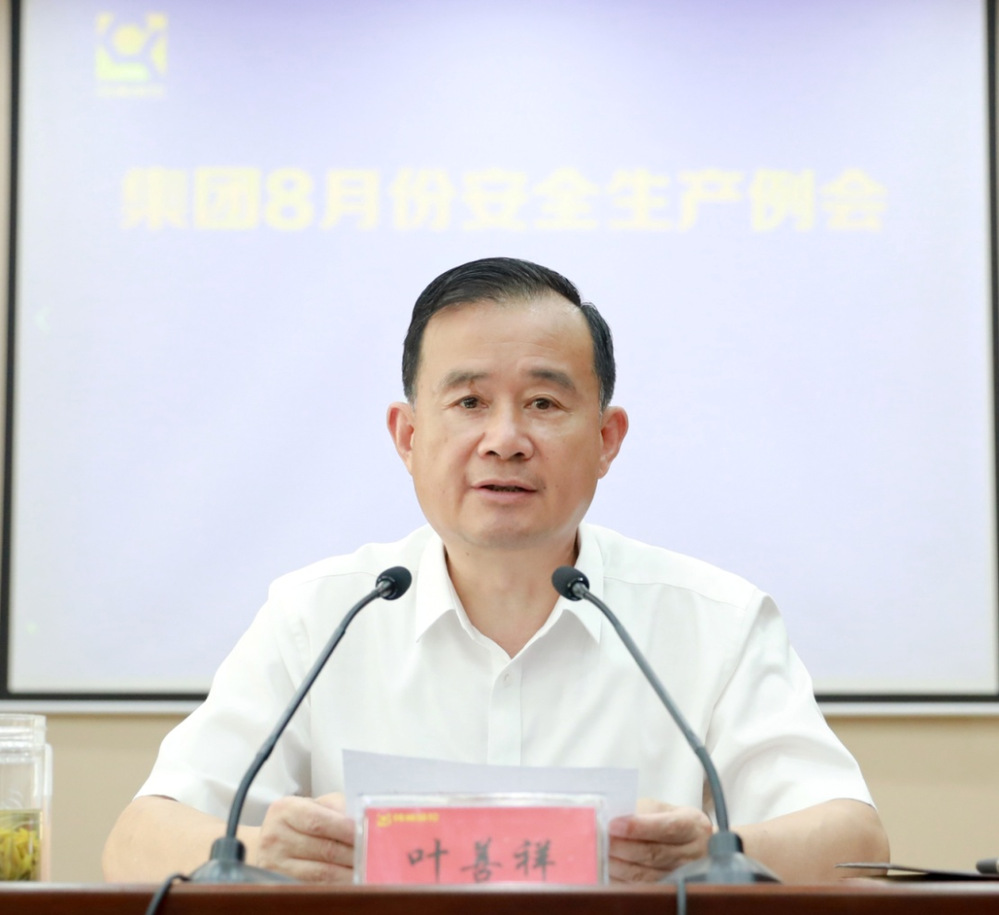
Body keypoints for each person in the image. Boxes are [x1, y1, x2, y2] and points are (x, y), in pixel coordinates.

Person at [102, 257, 888, 884]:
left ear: (606, 439)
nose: (505, 439)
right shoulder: (319, 613)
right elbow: (135, 840)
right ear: (407, 435)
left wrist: (714, 852)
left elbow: (854, 842)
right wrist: (261, 850)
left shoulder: (714, 617)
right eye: (469, 402)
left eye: (543, 403)